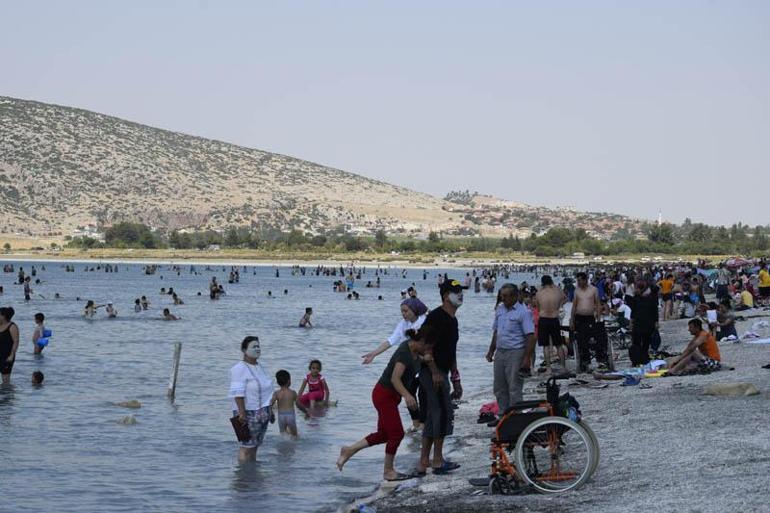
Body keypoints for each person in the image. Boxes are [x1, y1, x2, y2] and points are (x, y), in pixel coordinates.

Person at [337, 326, 435, 481]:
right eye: (427, 347)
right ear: (419, 341)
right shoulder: (404, 352)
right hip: (384, 395)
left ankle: (350, 450)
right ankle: (388, 471)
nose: (429, 350)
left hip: (390, 396)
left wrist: (425, 359)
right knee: (397, 434)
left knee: (384, 434)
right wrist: (408, 396)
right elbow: (395, 379)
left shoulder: (416, 352)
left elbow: (415, 362)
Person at [416, 279, 466, 476]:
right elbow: (424, 347)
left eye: (461, 291)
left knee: (433, 416)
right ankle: (437, 460)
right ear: (446, 296)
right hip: (431, 372)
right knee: (442, 414)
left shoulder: (452, 320)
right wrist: (435, 371)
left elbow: (451, 352)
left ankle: (423, 462)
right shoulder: (436, 317)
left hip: (442, 371)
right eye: (455, 291)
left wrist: (456, 378)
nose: (460, 294)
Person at [486, 284, 536, 420]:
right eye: (502, 296)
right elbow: (496, 331)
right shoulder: (500, 309)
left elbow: (531, 337)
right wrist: (491, 350)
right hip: (500, 352)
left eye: (506, 296)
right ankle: (503, 415)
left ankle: (515, 417)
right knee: (499, 387)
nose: (503, 299)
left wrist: (526, 359)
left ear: (514, 296)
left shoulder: (523, 312)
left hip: (516, 352)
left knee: (514, 387)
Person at [228, 336, 274, 461]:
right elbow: (238, 393)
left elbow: (267, 391)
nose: (257, 349)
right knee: (246, 447)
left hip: (263, 412)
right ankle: (243, 476)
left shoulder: (260, 367)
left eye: (258, 346)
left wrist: (271, 411)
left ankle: (252, 475)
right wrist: (241, 413)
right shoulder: (239, 368)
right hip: (248, 413)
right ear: (244, 350)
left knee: (255, 446)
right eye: (253, 346)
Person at [570, 272, 607, 372]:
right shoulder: (577, 291)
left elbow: (598, 304)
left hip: (590, 317)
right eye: (577, 281)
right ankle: (585, 361)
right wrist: (571, 320)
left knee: (595, 337)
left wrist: (599, 319)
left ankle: (601, 358)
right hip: (579, 317)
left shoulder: (593, 290)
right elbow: (574, 306)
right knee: (582, 340)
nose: (578, 282)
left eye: (579, 280)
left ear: (585, 280)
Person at [534, 276, 566, 369]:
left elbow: (538, 307)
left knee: (546, 346)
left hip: (543, 319)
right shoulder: (558, 291)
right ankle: (563, 366)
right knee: (558, 344)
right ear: (551, 281)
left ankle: (548, 368)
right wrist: (557, 307)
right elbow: (563, 299)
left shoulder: (539, 293)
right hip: (554, 318)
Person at [628, 277, 659, 366]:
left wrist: (656, 322)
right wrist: (631, 321)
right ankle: (637, 359)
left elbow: (654, 310)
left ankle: (644, 358)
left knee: (646, 341)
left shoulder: (652, 296)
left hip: (648, 322)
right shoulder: (636, 297)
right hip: (639, 322)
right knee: (637, 341)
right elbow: (633, 310)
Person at [270, 370, 307, 437]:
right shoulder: (292, 392)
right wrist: (306, 412)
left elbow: (270, 405)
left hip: (281, 416)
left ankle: (284, 446)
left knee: (283, 434)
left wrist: (271, 414)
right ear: (289, 381)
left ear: (278, 382)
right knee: (294, 435)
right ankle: (294, 445)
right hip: (290, 416)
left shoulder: (276, 393)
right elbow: (298, 405)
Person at [0, 307, 20, 383]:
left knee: (5, 379)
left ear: (3, 316)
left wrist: (12, 355)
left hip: (7, 356)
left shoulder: (12, 326)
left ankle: (7, 394)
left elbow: (16, 341)